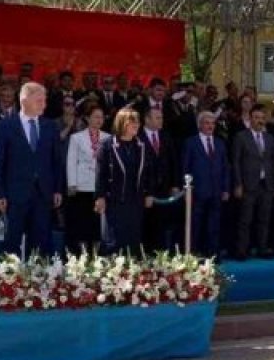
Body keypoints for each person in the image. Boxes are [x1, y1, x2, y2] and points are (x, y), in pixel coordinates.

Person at [0, 82, 64, 257]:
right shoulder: (5, 126)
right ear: (24, 100)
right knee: (12, 242)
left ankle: (38, 273)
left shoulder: (50, 126)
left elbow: (56, 161)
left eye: (44, 101)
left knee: (41, 242)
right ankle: (11, 274)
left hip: (43, 193)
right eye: (39, 101)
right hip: (15, 194)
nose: (44, 105)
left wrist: (57, 189)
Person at [94, 108, 155, 254]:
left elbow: (149, 171)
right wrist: (100, 196)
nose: (136, 125)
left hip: (136, 198)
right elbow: (101, 173)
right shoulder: (108, 144)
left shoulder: (142, 145)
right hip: (115, 198)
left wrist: (149, 193)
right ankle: (113, 264)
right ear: (122, 123)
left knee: (133, 235)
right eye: (132, 122)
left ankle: (131, 264)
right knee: (114, 237)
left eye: (137, 122)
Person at [232, 105, 274, 260]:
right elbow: (236, 162)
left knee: (264, 219)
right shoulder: (241, 137)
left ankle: (262, 248)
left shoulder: (270, 138)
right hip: (248, 184)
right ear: (250, 119)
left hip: (266, 184)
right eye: (257, 117)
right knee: (245, 220)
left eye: (262, 118)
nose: (260, 121)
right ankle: (241, 250)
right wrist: (238, 184)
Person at [184, 111, 230, 258]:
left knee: (214, 225)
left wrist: (225, 188)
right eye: (207, 123)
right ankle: (194, 254)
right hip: (197, 191)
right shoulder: (191, 143)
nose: (210, 126)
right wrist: (187, 190)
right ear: (199, 125)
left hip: (216, 191)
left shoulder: (220, 143)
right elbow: (185, 167)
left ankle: (213, 254)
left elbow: (225, 167)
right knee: (196, 225)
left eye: (213, 123)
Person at [65, 105, 108, 254]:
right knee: (82, 221)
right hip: (82, 186)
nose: (99, 120)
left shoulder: (108, 137)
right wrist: (72, 184)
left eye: (101, 117)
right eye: (96, 117)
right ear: (87, 118)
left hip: (100, 186)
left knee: (97, 222)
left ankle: (96, 255)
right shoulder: (76, 137)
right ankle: (82, 254)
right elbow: (71, 161)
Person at [139, 106, 179, 253]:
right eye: (157, 118)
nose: (161, 120)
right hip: (144, 191)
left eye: (161, 117)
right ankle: (145, 254)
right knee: (145, 224)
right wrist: (145, 191)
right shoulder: (138, 137)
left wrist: (175, 185)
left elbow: (174, 161)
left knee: (162, 224)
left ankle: (160, 255)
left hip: (163, 189)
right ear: (147, 119)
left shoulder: (166, 136)